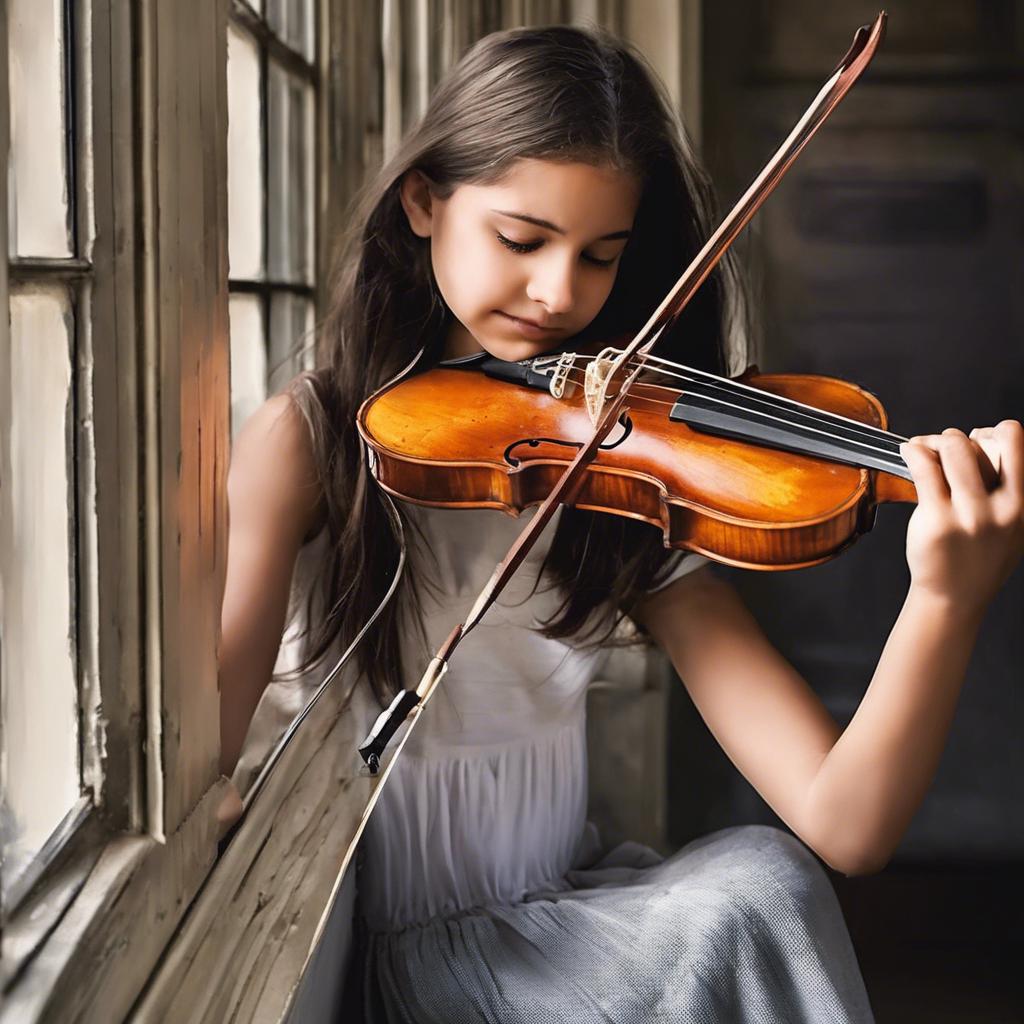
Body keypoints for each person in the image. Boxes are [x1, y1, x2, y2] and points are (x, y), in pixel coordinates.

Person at [216, 25, 1024, 1024]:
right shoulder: (311, 440)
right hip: (434, 966)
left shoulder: (612, 474)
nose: (559, 293)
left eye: (599, 256)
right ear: (423, 201)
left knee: (763, 881)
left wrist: (945, 597)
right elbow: (205, 735)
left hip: (575, 917)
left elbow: (844, 822)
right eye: (521, 240)